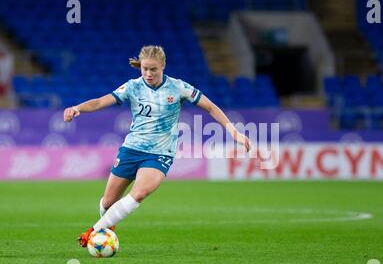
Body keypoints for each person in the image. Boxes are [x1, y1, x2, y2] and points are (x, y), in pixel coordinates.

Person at [63, 45, 251, 247]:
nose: (148, 73)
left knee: (140, 193)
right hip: (131, 149)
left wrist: (234, 132)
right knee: (108, 203)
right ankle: (108, 224)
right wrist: (76, 108)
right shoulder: (133, 87)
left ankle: (94, 231)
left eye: (153, 69)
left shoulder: (178, 87)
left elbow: (211, 107)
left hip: (159, 154)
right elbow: (100, 102)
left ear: (163, 66)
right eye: (144, 69)